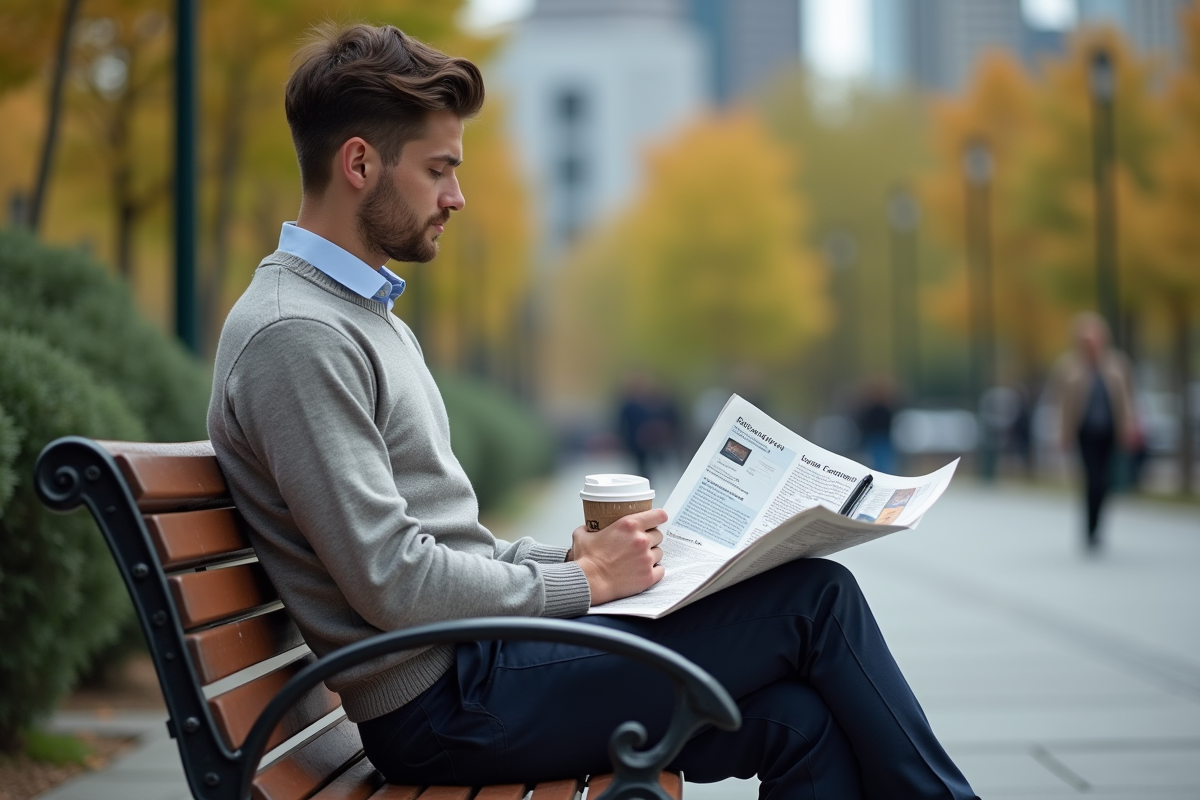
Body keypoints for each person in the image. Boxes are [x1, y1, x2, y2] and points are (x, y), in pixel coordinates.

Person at [207, 22, 979, 799]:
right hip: (448, 708)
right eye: (439, 169)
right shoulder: (295, 335)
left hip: (479, 666)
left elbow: (444, 547)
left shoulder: (357, 314)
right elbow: (394, 582)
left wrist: (573, 561)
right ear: (360, 163)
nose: (457, 196)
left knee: (798, 719)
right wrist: (585, 584)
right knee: (816, 601)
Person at [1051, 312, 1138, 552]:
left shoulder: (1117, 365)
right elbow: (1061, 404)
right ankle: (1090, 530)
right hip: (1085, 432)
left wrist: (1130, 426)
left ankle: (1098, 526)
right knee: (1092, 479)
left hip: (1110, 430)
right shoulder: (1069, 367)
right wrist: (1062, 432)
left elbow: (1128, 400)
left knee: (1106, 481)